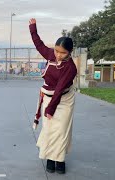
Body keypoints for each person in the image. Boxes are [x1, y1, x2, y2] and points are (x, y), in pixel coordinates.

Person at [29, 18, 77, 174]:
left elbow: (60, 89)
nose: (58, 55)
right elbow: (39, 45)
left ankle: (60, 159)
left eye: (63, 53)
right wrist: (33, 28)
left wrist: (50, 109)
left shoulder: (70, 68)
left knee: (61, 130)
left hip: (64, 100)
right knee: (49, 129)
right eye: (57, 51)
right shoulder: (50, 54)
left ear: (70, 52)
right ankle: (50, 158)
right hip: (49, 97)